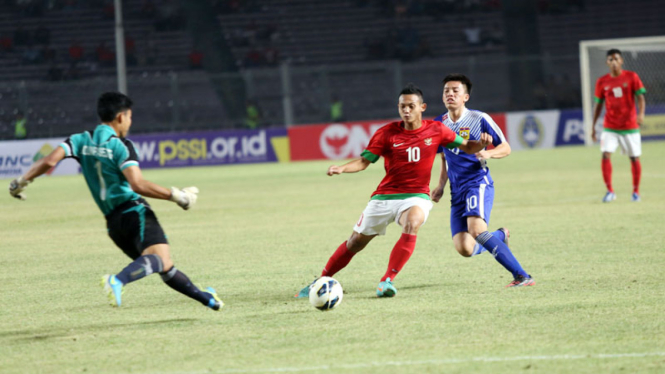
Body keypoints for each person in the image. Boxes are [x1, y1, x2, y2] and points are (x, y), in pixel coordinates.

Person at [8, 92, 223, 311]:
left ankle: (208, 299)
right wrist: (177, 196)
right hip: (134, 213)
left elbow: (49, 161)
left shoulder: (80, 140)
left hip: (114, 225)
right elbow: (137, 184)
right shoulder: (121, 146)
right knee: (158, 260)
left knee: (163, 264)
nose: (130, 122)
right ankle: (117, 281)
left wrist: (21, 181)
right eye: (130, 117)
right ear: (121, 117)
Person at [296, 83, 492, 298]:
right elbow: (363, 162)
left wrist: (481, 143)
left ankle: (386, 281)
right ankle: (322, 279)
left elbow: (467, 146)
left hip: (416, 195)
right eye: (402, 107)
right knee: (355, 242)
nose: (406, 110)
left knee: (413, 221)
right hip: (385, 196)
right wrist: (341, 168)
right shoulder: (386, 133)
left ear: (422, 107)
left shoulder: (436, 130)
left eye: (411, 106)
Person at [431, 73, 535, 288]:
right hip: (456, 190)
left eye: (455, 90)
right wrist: (440, 186)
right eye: (446, 91)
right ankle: (498, 236)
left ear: (465, 97)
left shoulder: (480, 119)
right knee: (465, 248)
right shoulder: (439, 124)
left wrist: (488, 153)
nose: (450, 94)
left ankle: (522, 276)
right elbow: (444, 157)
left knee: (477, 231)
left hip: (477, 182)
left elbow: (505, 147)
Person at [591, 48, 646, 203]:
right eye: (610, 59)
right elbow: (598, 106)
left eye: (616, 59)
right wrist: (593, 127)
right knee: (605, 154)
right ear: (607, 63)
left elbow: (640, 97)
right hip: (610, 126)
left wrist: (641, 114)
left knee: (634, 157)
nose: (613, 62)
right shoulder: (602, 82)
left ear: (621, 61)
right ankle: (610, 191)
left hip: (630, 125)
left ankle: (636, 192)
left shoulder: (631, 77)